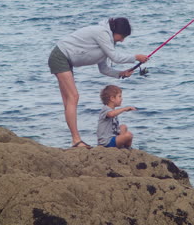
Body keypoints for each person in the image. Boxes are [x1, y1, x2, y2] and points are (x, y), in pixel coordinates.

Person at [48, 18, 148, 148]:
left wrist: (120, 73)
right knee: (73, 97)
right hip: (60, 57)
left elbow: (103, 69)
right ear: (116, 31)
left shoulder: (108, 42)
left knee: (69, 100)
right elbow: (115, 57)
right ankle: (76, 140)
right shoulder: (102, 33)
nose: (122, 40)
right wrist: (135, 57)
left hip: (65, 61)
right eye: (122, 36)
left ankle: (75, 140)